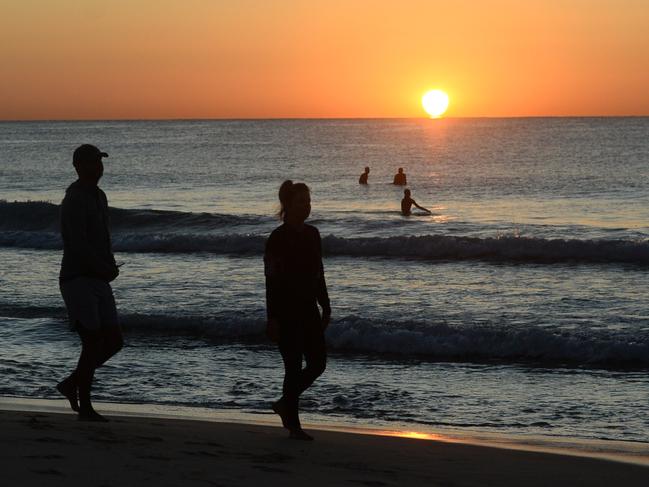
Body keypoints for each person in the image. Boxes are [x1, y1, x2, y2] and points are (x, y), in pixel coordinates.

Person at [56, 144, 123, 422]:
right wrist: (102, 267)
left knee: (114, 341)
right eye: (93, 163)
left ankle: (71, 384)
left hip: (98, 277)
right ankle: (85, 406)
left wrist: (109, 265)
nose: (98, 167)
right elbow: (77, 244)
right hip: (78, 278)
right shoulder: (74, 199)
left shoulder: (99, 196)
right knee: (93, 342)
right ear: (78, 166)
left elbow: (101, 239)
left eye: (99, 162)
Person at [264, 180, 331, 441]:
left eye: (308, 201)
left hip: (308, 309)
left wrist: (326, 305)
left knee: (318, 363)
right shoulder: (277, 238)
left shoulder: (313, 234)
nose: (306, 206)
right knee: (292, 367)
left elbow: (319, 273)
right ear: (288, 205)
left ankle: (284, 404)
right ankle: (294, 426)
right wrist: (272, 318)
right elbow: (271, 279)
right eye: (301, 201)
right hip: (285, 311)